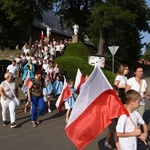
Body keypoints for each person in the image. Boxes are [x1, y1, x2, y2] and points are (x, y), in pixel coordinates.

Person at [104, 85, 120, 150]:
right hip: (112, 118)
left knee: (111, 131)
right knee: (115, 132)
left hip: (116, 117)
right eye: (116, 92)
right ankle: (118, 146)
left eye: (118, 92)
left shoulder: (118, 98)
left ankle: (106, 141)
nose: (118, 94)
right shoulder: (110, 100)